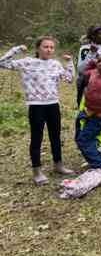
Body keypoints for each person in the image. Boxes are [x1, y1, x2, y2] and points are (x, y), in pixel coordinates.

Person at [0, 39, 75, 185]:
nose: (49, 50)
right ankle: (37, 171)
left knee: (56, 136)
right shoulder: (27, 62)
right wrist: (16, 49)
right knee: (37, 138)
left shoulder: (55, 64)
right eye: (45, 47)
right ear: (38, 48)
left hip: (53, 104)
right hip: (36, 106)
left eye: (51, 47)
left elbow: (69, 79)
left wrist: (70, 62)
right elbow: (2, 62)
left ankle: (58, 165)